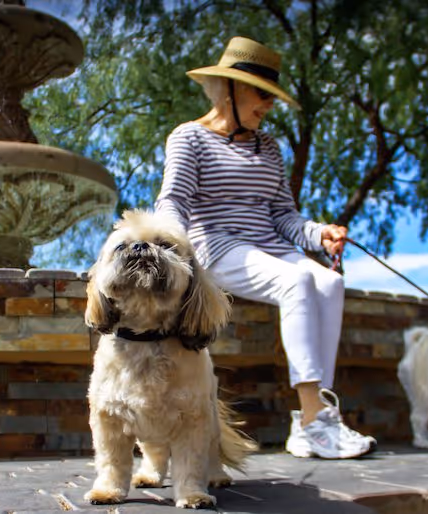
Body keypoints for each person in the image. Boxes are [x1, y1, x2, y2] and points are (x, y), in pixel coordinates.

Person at [155, 36, 375, 459]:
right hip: (219, 246)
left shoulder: (268, 147)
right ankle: (314, 421)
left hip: (270, 245)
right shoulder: (190, 138)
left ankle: (316, 421)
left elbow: (284, 216)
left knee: (329, 283)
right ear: (231, 88)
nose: (268, 106)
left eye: (271, 98)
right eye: (262, 95)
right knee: (296, 282)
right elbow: (175, 200)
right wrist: (168, 248)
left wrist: (318, 234)